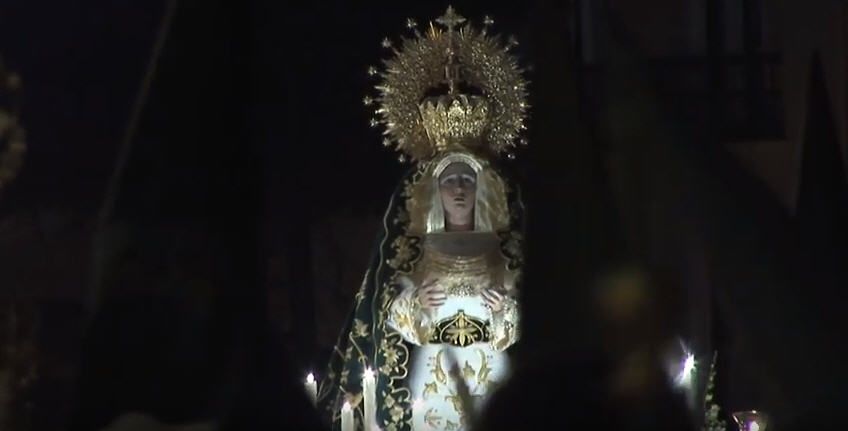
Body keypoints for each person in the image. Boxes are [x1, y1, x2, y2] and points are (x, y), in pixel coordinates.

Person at [316, 7, 529, 431]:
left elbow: (535, 312)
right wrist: (414, 305)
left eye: (467, 180)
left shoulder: (508, 246)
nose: (459, 189)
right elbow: (387, 312)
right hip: (433, 377)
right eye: (449, 181)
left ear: (483, 189)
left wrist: (507, 312)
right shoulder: (412, 244)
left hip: (490, 370)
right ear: (433, 192)